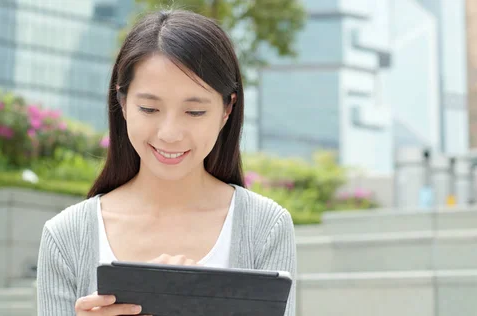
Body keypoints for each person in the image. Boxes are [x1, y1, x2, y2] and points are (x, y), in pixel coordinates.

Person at [36, 9, 297, 316]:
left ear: (227, 109)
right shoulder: (66, 236)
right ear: (121, 102)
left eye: (194, 112)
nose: (169, 134)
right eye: (149, 109)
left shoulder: (265, 227)